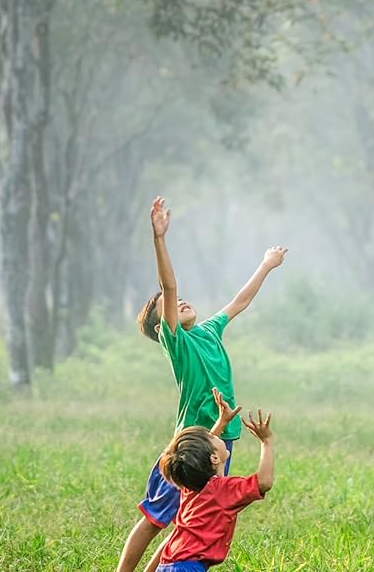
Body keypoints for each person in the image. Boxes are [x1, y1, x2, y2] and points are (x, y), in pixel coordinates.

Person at [116, 196, 287, 572]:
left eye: (181, 301)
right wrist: (159, 239)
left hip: (221, 438)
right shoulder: (176, 342)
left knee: (193, 516)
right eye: (171, 306)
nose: (181, 302)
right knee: (157, 517)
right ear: (163, 326)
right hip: (191, 442)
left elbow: (239, 301)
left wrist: (266, 265)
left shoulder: (210, 330)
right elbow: (169, 284)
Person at [154, 403, 275, 572]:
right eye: (213, 437)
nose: (216, 436)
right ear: (214, 458)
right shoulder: (223, 490)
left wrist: (222, 422)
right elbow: (264, 482)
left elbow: (199, 454)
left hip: (167, 565)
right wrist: (266, 441)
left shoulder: (191, 486)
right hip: (188, 567)